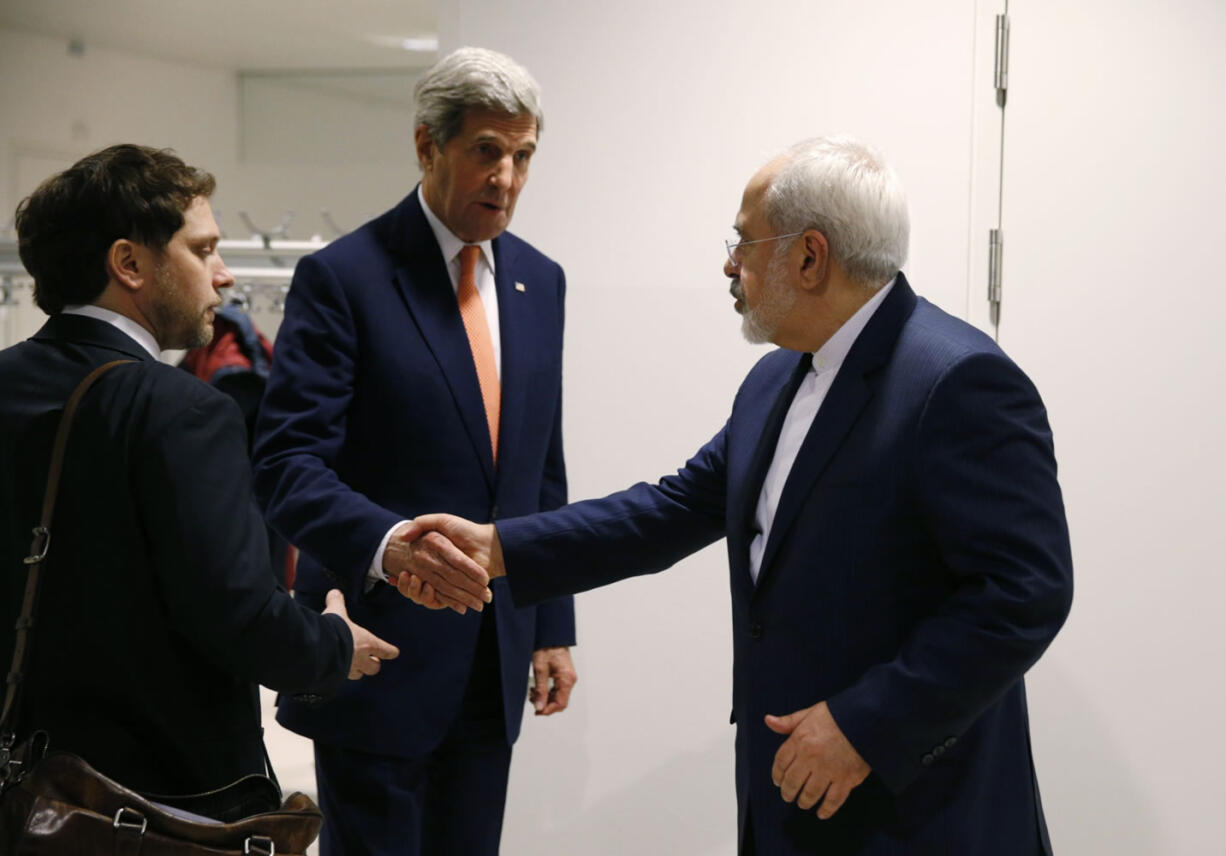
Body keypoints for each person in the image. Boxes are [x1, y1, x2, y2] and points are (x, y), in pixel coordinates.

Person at [401, 136, 1075, 855]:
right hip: (785, 797)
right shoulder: (775, 380)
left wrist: (866, 725)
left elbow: (1024, 592)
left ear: (810, 257)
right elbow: (671, 510)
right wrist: (498, 547)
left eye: (744, 242)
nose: (730, 264)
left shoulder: (959, 381)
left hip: (919, 812)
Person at [250, 46, 577, 856]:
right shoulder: (345, 278)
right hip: (377, 653)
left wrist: (551, 624)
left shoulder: (542, 281)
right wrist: (390, 545)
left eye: (523, 155)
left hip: (494, 655)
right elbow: (287, 464)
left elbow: (538, 467)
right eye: (486, 152)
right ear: (428, 145)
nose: (506, 177)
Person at [0, 143, 398, 797]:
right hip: (152, 802)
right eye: (203, 249)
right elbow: (237, 613)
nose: (225, 276)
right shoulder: (180, 409)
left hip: (25, 786)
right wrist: (333, 647)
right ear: (129, 263)